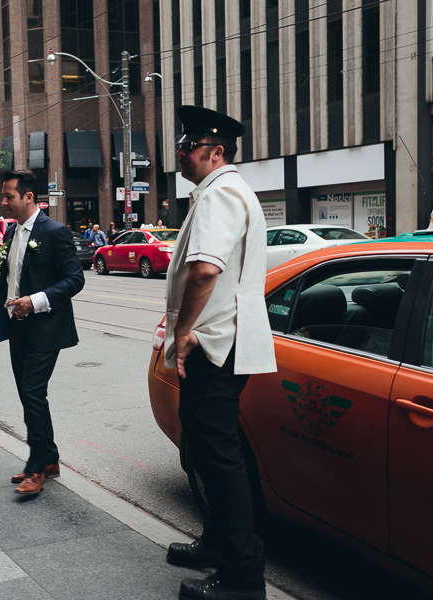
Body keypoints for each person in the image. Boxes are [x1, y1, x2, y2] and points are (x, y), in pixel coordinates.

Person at [162, 106, 276, 600]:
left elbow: (206, 272)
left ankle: (242, 579)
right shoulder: (217, 192)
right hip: (219, 340)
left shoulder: (221, 192)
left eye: (188, 148)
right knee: (207, 450)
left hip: (213, 345)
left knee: (220, 458)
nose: (181, 155)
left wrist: (183, 330)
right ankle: (217, 543)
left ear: (216, 152)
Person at [0, 170, 84, 496]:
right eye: (3, 196)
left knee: (34, 393)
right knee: (28, 394)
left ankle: (37, 468)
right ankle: (49, 459)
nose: (3, 202)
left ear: (28, 198)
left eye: (8, 196)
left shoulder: (54, 232)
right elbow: (14, 278)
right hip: (17, 326)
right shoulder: (14, 232)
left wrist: (34, 302)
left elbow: (75, 279)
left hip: (46, 327)